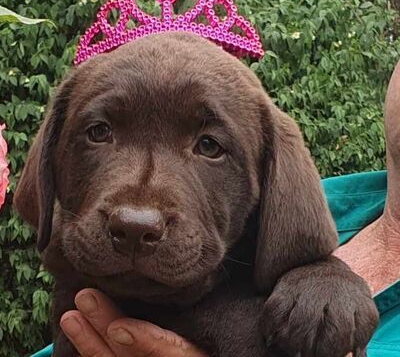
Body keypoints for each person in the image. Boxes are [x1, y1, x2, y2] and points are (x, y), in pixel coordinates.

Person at [31, 63, 400, 357]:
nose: (137, 215)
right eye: (98, 132)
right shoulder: (340, 203)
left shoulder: (290, 216)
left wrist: (320, 271)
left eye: (210, 146)